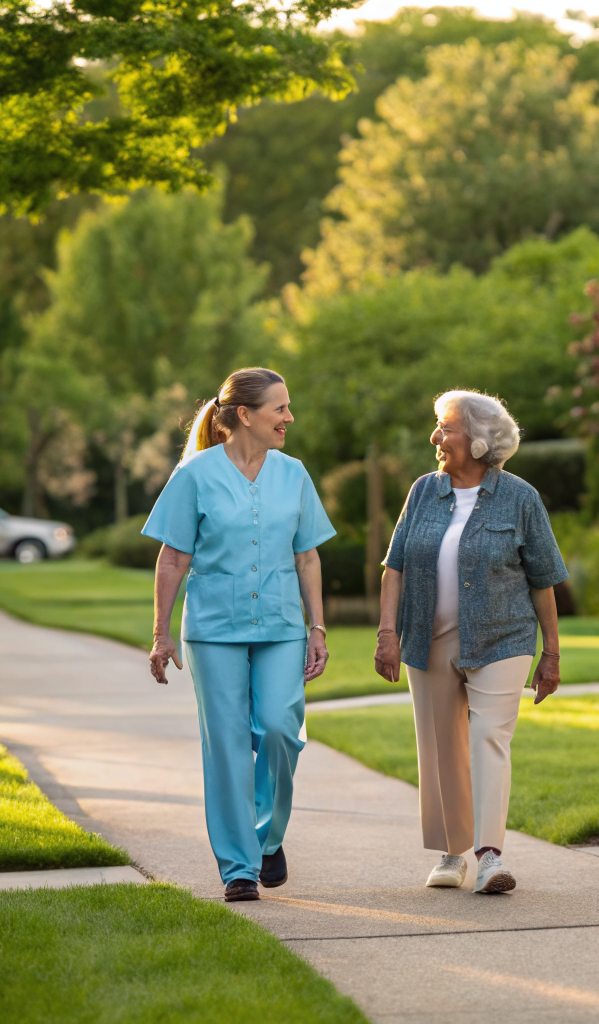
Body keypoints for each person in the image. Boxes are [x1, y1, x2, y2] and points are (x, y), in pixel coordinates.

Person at [144, 367, 335, 902]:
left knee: (278, 730)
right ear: (245, 416)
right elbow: (173, 556)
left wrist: (316, 625)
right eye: (280, 408)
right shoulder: (195, 475)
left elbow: (306, 554)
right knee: (225, 746)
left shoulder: (293, 473)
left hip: (279, 626)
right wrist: (160, 634)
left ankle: (266, 836)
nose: (289, 418)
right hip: (213, 631)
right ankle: (238, 868)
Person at [374, 390, 568, 894]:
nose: (436, 437)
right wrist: (387, 633)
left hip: (503, 636)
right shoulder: (422, 492)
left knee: (488, 738)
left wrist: (551, 653)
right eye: (437, 427)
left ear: (479, 440)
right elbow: (393, 566)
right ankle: (451, 853)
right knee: (441, 747)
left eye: (446, 428)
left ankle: (489, 856)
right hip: (428, 638)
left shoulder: (520, 498)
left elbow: (543, 578)